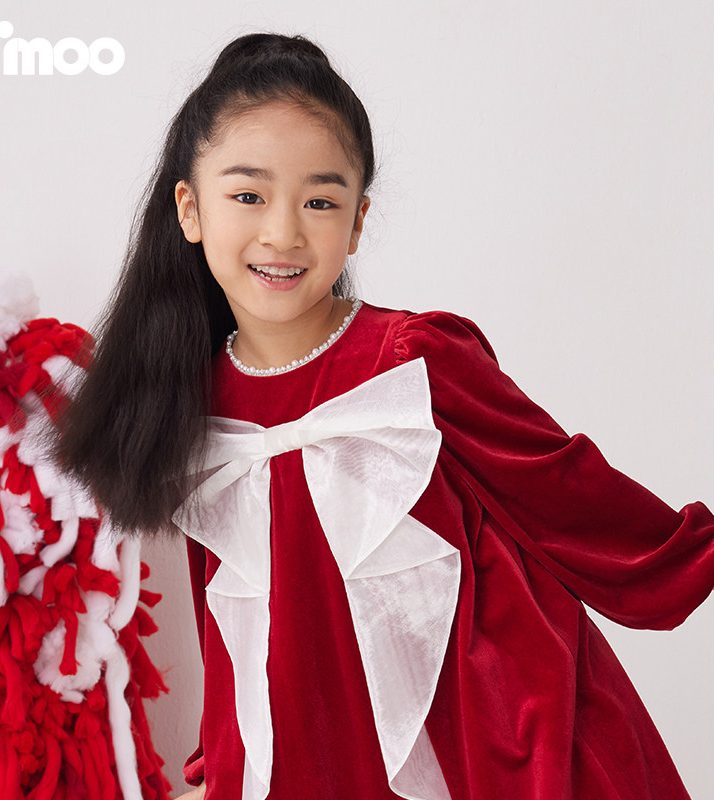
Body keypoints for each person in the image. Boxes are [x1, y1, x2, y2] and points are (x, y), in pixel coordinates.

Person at [54, 32, 714, 800]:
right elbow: (230, 615)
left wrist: (691, 557)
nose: (282, 233)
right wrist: (220, 761)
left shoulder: (412, 359)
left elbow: (561, 488)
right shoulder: (193, 404)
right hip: (310, 755)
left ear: (358, 221)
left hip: (486, 739)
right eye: (248, 196)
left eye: (320, 201)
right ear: (190, 209)